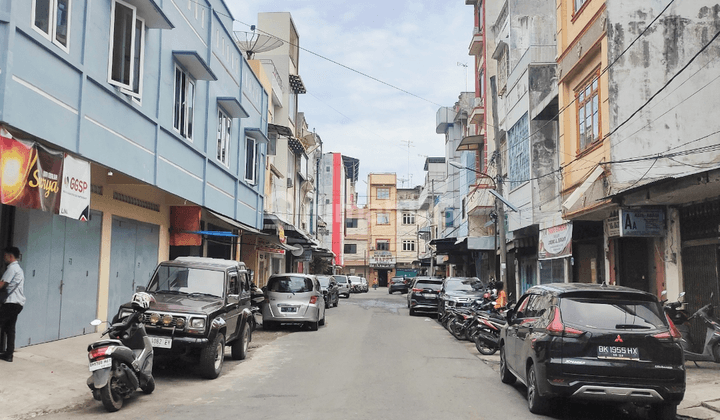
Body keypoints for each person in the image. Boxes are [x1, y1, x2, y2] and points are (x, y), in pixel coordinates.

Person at [0, 246, 25, 362]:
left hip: (10, 303)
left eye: (5, 255)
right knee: (10, 329)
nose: (4, 258)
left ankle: (8, 354)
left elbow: (2, 284)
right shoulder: (19, 269)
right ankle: (9, 354)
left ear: (10, 256)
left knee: (6, 326)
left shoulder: (11, 269)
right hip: (17, 303)